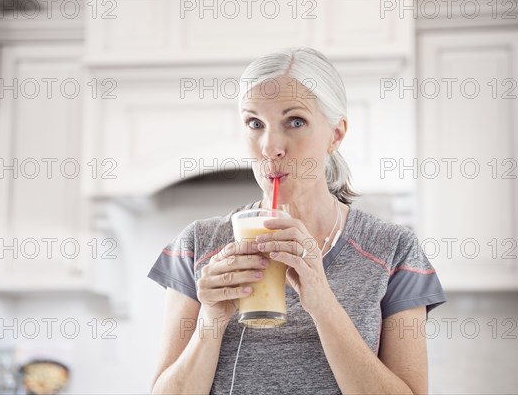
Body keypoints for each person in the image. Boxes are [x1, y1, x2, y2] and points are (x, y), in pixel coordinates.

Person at [147, 47, 446, 394]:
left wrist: (322, 301)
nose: (270, 146)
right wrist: (211, 320)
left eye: (295, 121)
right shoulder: (198, 245)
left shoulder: (394, 250)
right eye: (255, 123)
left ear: (335, 134)